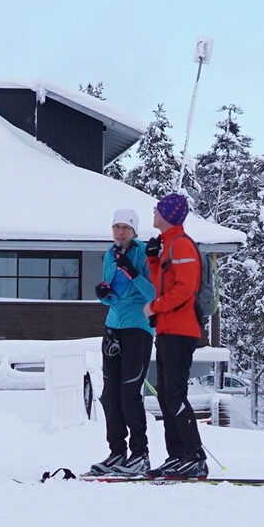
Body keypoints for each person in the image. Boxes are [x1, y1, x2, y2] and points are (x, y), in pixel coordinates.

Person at [144, 192, 207, 479]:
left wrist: (155, 307)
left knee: (174, 393)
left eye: (157, 210)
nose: (153, 214)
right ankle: (177, 455)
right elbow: (162, 282)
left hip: (181, 330)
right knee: (167, 394)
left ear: (168, 215)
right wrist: (153, 261)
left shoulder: (181, 244)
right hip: (168, 329)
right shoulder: (169, 244)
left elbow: (185, 289)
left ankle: (194, 455)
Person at [89, 208, 156, 476]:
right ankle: (117, 452)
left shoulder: (142, 253)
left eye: (125, 228)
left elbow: (153, 292)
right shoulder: (109, 254)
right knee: (110, 394)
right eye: (116, 227)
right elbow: (111, 292)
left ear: (134, 231)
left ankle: (140, 453)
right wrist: (102, 294)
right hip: (113, 326)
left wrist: (133, 272)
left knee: (130, 392)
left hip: (137, 326)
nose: (120, 232)